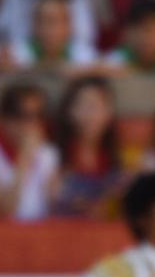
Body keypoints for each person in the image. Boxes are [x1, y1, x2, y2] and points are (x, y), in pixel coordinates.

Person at [0, 80, 59, 220]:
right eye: (22, 115)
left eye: (37, 116)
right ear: (4, 118)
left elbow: (54, 211)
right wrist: (24, 158)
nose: (29, 124)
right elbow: (2, 214)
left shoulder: (47, 153)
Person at [50, 75, 128, 220]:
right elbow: (51, 202)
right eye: (85, 105)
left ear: (109, 113)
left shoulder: (115, 161)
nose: (91, 114)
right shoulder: (51, 156)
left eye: (98, 106)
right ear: (70, 112)